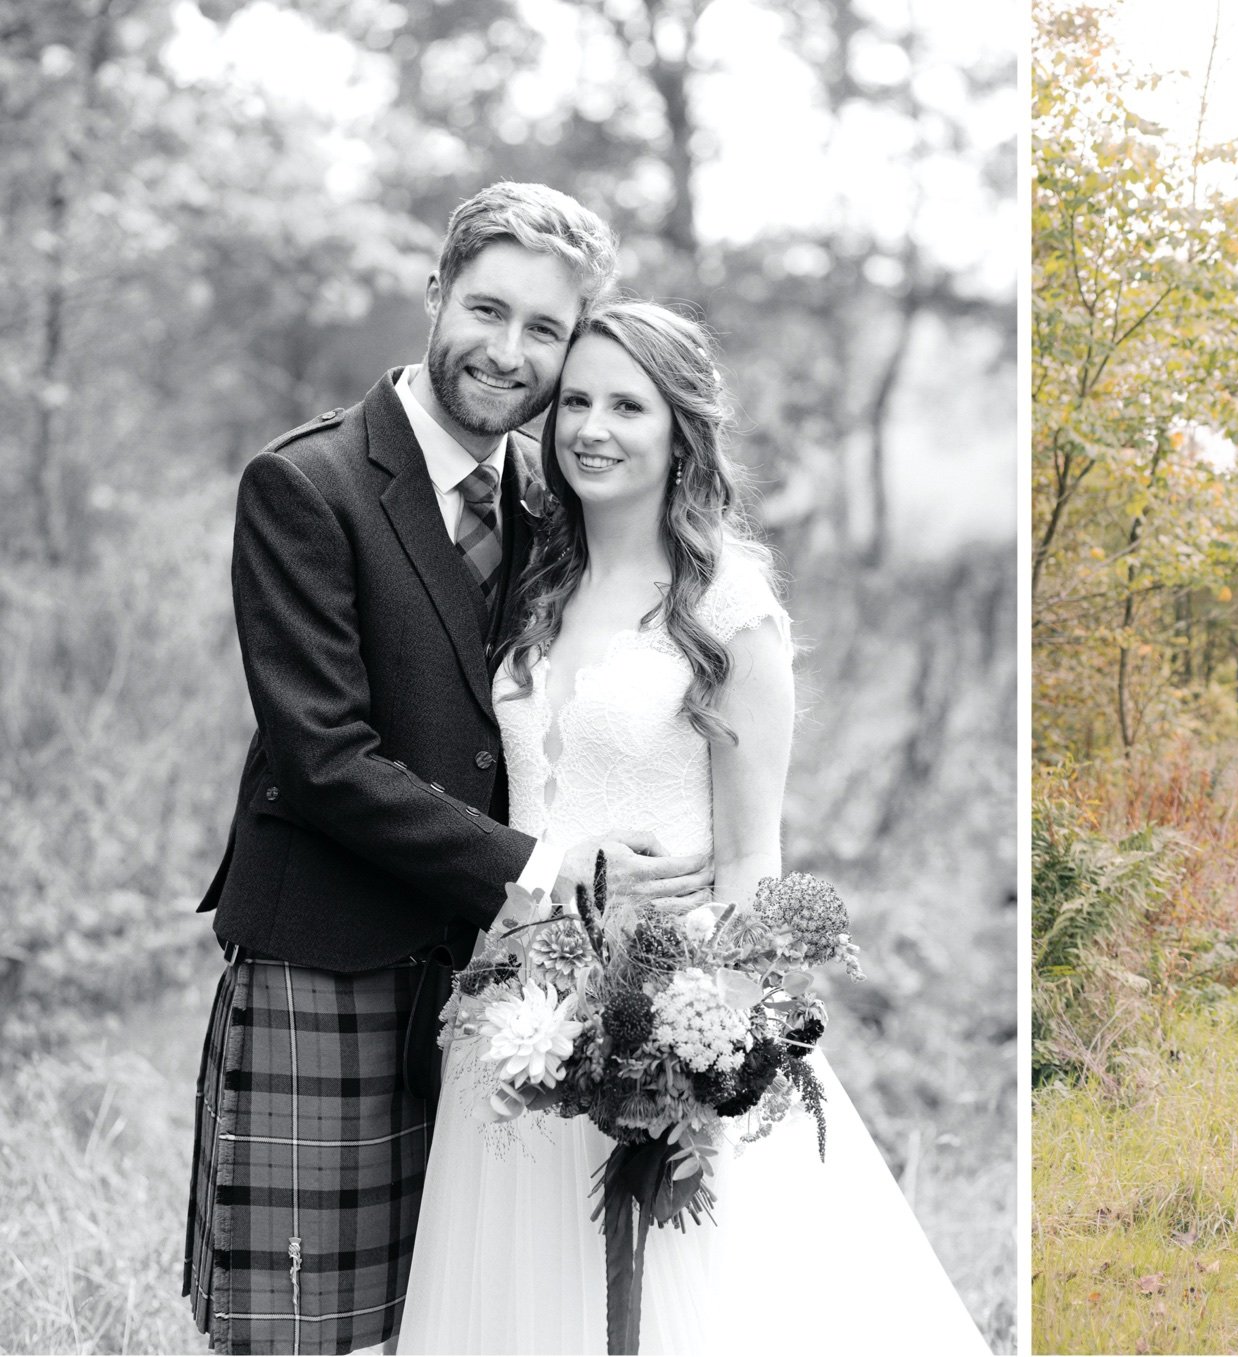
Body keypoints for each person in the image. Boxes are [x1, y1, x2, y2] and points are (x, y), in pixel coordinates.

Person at [396, 300, 989, 1353]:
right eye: (574, 400)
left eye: (627, 404)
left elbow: (757, 852)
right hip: (514, 1004)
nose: (591, 427)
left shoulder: (725, 607)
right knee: (520, 1298)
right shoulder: (537, 583)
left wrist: (718, 1034)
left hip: (668, 1001)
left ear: (681, 428)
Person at [183, 183, 710, 1356]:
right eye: (488, 308)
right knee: (300, 1325)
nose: (508, 352)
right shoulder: (305, 485)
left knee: (474, 1317)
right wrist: (550, 864)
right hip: (331, 948)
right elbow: (323, 759)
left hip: (495, 987)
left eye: (545, 331)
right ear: (434, 294)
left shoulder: (549, 500)